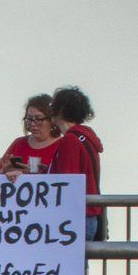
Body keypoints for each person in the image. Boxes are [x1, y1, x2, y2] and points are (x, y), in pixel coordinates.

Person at [50, 86, 104, 238]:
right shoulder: (85, 137)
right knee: (81, 261)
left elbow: (67, 181)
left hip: (75, 217)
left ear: (60, 109)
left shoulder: (70, 140)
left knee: (70, 261)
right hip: (88, 214)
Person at [0, 95, 78, 177]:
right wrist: (3, 172)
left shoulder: (63, 145)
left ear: (51, 120)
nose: (33, 124)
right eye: (29, 119)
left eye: (38, 119)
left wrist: (38, 174)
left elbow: (69, 179)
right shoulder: (18, 143)